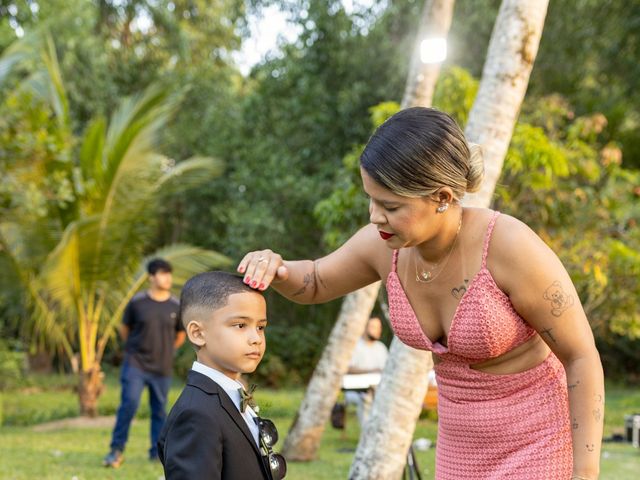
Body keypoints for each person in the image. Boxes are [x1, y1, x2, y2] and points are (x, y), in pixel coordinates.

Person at [237, 107, 604, 480]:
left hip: (537, 441)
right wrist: (277, 268)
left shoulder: (509, 246)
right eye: (371, 199)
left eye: (390, 206)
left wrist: (585, 472)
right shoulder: (385, 246)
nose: (374, 216)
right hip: (459, 449)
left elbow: (580, 356)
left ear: (442, 197)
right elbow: (315, 280)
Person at [158, 271, 286, 480]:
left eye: (260, 327)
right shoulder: (196, 414)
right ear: (198, 333)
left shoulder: (230, 394)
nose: (256, 338)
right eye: (240, 325)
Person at [103, 258, 186, 468]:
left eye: (169, 273)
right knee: (129, 404)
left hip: (162, 367)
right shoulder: (137, 302)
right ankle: (116, 450)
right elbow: (125, 330)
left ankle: (156, 453)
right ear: (151, 277)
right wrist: (135, 349)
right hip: (136, 364)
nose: (167, 278)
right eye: (162, 273)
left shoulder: (176, 305)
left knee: (159, 411)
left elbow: (180, 335)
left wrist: (165, 351)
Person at [343, 316, 388, 424]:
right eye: (373, 327)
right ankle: (367, 433)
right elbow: (347, 368)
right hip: (355, 390)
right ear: (364, 328)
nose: (377, 330)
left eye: (379, 327)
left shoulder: (381, 348)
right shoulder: (355, 346)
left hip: (379, 389)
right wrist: (370, 371)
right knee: (366, 400)